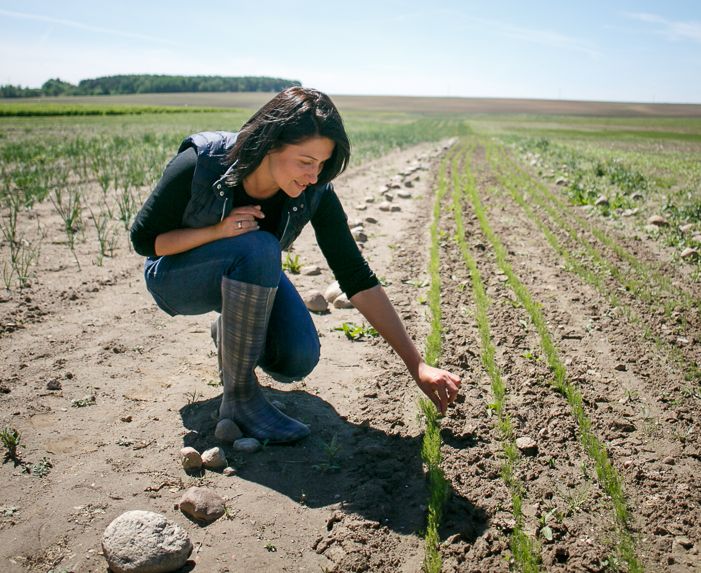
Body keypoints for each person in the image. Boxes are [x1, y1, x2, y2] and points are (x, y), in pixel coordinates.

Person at [130, 87, 461, 443]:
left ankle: (230, 331)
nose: (313, 176)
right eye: (306, 162)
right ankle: (239, 399)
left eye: (321, 164)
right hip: (175, 278)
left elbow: (356, 277)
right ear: (271, 143)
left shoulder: (314, 192)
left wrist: (417, 365)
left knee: (298, 356)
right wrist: (218, 231)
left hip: (247, 272)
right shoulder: (204, 162)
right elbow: (145, 241)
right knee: (260, 247)